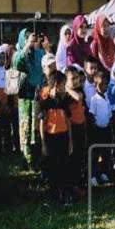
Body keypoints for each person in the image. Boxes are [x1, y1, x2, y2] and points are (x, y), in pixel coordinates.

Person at [12, 29, 45, 169]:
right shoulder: (19, 54)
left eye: (33, 37)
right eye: (28, 38)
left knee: (37, 127)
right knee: (26, 128)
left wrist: (46, 48)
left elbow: (47, 63)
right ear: (23, 40)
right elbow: (17, 63)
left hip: (38, 94)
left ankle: (37, 158)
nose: (32, 40)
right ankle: (27, 160)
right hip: (25, 97)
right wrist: (26, 47)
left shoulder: (39, 53)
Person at [39, 71, 73, 203]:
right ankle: (53, 194)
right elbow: (42, 123)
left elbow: (68, 121)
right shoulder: (45, 102)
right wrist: (43, 144)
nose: (65, 87)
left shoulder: (64, 101)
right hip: (51, 140)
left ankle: (65, 193)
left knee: (64, 166)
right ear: (56, 85)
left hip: (63, 138)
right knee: (52, 167)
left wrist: (70, 141)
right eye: (63, 84)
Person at [65, 66, 87, 190]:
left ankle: (80, 183)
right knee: (72, 157)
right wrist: (67, 89)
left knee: (80, 156)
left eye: (77, 78)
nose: (76, 81)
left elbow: (79, 98)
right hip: (71, 128)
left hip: (80, 127)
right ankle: (72, 184)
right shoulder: (66, 96)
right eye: (72, 78)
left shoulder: (79, 91)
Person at [89, 71, 113, 186]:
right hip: (97, 130)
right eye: (101, 85)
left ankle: (104, 173)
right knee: (95, 153)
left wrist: (110, 126)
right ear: (95, 85)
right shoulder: (94, 99)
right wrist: (94, 129)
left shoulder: (107, 98)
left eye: (105, 84)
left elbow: (109, 114)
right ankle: (92, 176)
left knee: (106, 152)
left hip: (106, 129)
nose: (104, 87)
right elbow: (92, 115)